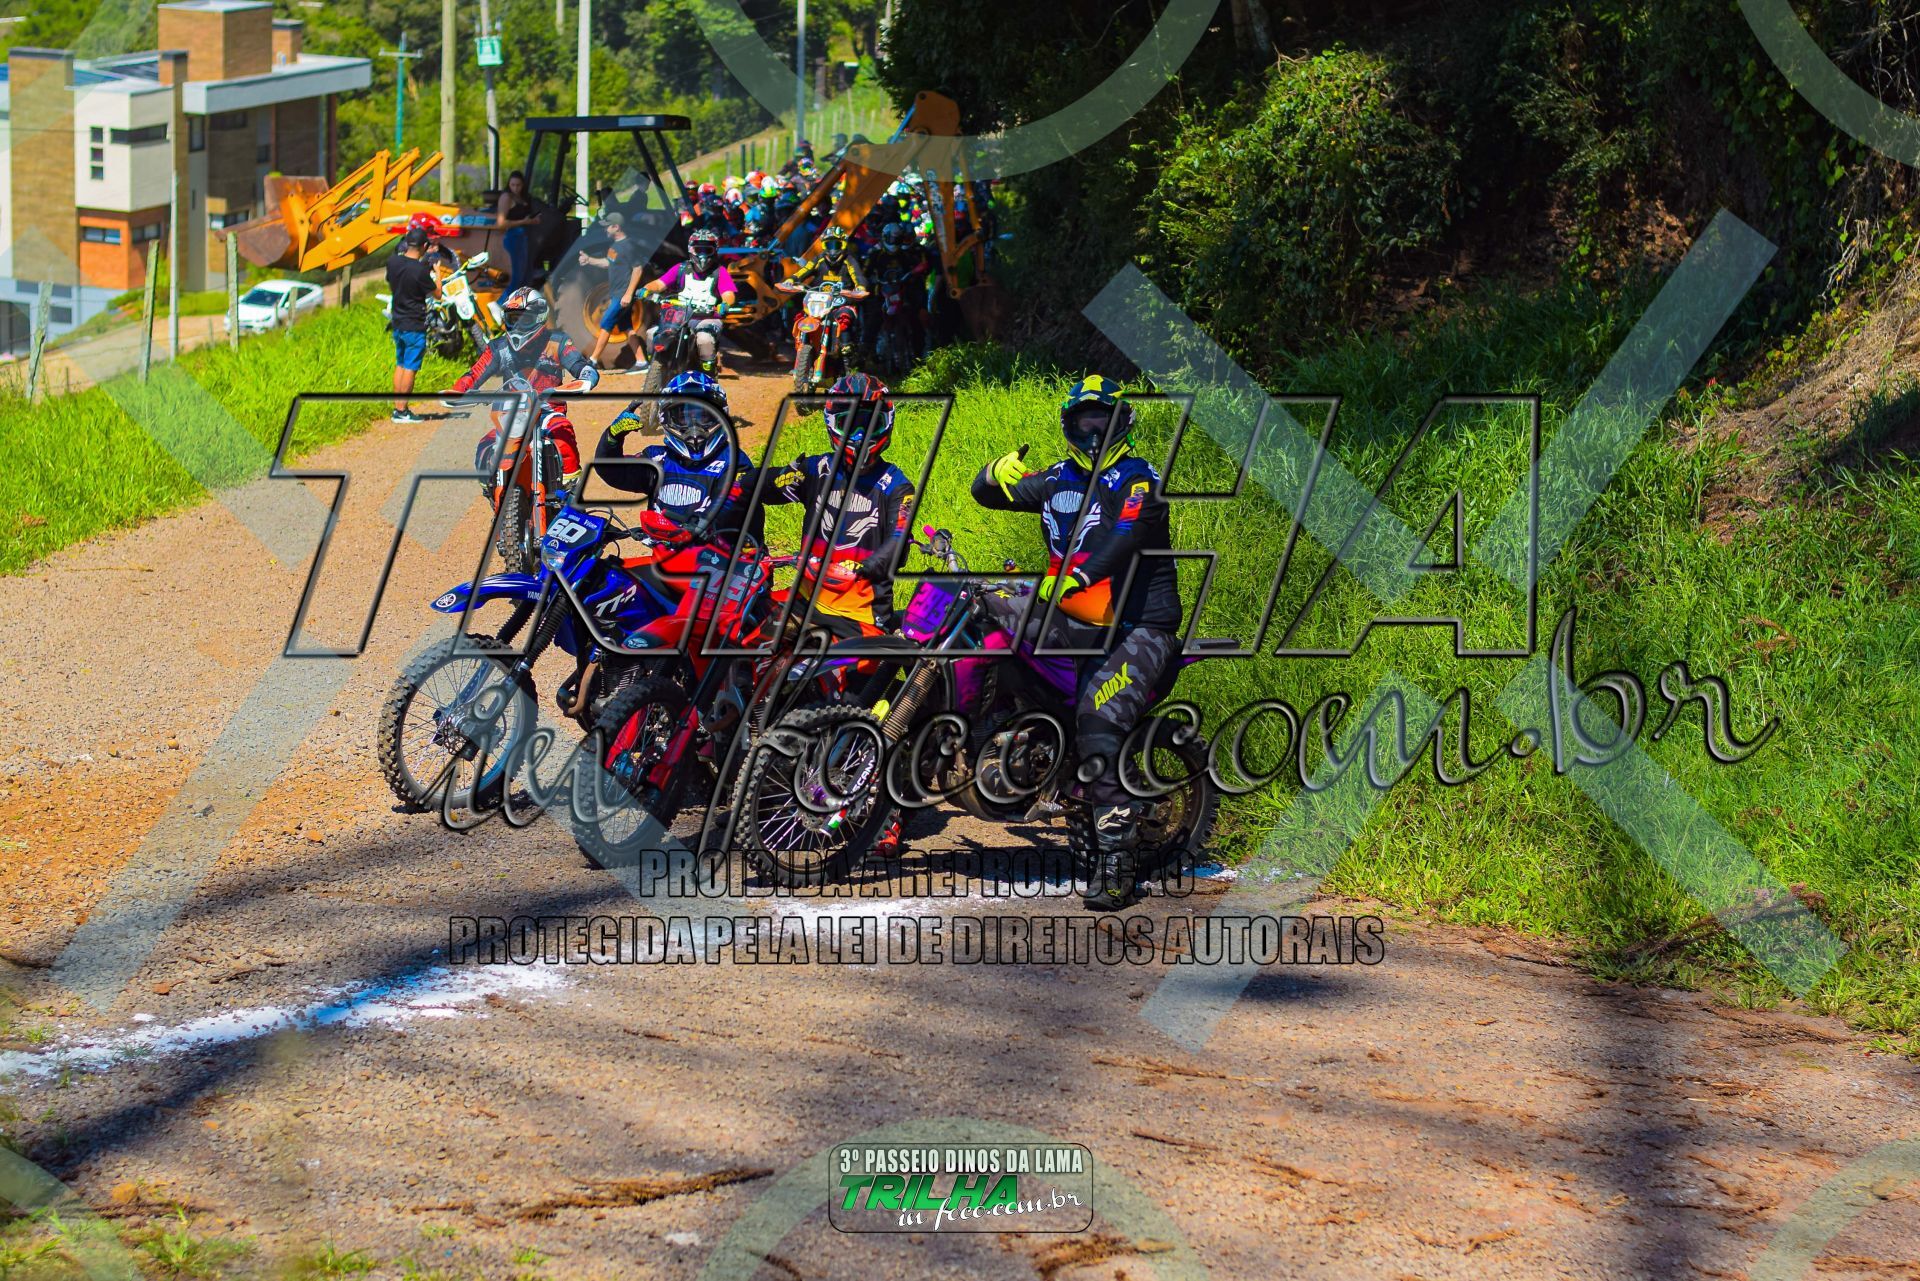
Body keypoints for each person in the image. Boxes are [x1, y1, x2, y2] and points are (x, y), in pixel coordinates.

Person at [969, 376, 1184, 911]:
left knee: (1098, 720)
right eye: (1083, 422)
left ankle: (1116, 867)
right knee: (983, 618)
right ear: (1068, 426)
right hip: (1075, 619)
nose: (1092, 432)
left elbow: (1125, 535)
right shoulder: (1056, 478)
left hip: (1139, 627)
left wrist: (1081, 576)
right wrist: (992, 473)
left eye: (1101, 421)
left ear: (1121, 423)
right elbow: (985, 495)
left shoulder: (1138, 478)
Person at [764, 373, 914, 640]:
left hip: (860, 615)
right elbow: (755, 487)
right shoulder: (816, 469)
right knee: (743, 623)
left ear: (886, 424)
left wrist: (862, 567)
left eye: (869, 424)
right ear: (832, 425)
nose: (859, 435)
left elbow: (898, 543)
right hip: (804, 601)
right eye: (850, 424)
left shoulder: (897, 486)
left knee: (837, 667)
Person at [592, 370, 764, 548]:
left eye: (703, 415)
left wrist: (695, 527)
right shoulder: (658, 458)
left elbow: (730, 505)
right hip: (667, 558)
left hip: (721, 559)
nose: (694, 426)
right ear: (667, 419)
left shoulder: (733, 460)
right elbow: (611, 471)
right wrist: (612, 438)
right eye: (683, 417)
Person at [446, 287, 600, 482]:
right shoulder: (499, 347)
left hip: (547, 411)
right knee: (485, 446)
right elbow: (474, 374)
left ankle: (570, 485)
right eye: (513, 319)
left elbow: (580, 365)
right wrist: (458, 390)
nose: (518, 325)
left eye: (524, 319)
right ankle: (491, 488)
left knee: (562, 433)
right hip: (511, 414)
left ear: (539, 317)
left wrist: (586, 377)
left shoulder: (557, 342)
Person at [637, 229, 737, 374]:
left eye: (707, 250)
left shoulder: (720, 272)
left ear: (714, 251)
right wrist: (646, 289)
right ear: (691, 249)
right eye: (698, 249)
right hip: (679, 316)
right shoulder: (680, 269)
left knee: (704, 339)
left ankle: (708, 369)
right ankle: (655, 361)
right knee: (652, 333)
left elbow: (728, 294)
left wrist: (725, 304)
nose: (702, 254)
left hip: (707, 317)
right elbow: (659, 284)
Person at [776, 226, 868, 359]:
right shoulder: (818, 259)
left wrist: (860, 287)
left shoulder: (849, 260)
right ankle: (801, 343)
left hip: (842, 302)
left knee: (844, 317)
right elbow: (804, 271)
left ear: (843, 244)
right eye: (829, 245)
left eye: (836, 245)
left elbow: (858, 276)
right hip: (819, 303)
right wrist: (791, 280)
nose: (833, 250)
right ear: (824, 245)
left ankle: (846, 349)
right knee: (801, 316)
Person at [385, 224, 440, 423]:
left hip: (398, 321)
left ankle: (397, 409)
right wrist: (438, 273)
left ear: (407, 243)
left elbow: (390, 281)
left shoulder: (392, 262)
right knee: (410, 367)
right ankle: (402, 411)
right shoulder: (419, 270)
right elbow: (438, 294)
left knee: (400, 364)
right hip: (414, 324)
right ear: (424, 246)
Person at [577, 211, 642, 366]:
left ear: (616, 227)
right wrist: (589, 260)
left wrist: (628, 294)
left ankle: (593, 360)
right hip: (616, 294)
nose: (605, 229)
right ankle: (641, 361)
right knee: (627, 328)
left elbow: (638, 269)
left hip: (622, 294)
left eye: (607, 226)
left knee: (606, 323)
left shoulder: (628, 246)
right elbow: (608, 263)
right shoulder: (614, 246)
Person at [494, 172, 540, 293]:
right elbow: (501, 223)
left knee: (526, 276)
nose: (515, 188)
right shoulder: (506, 197)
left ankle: (520, 303)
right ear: (508, 184)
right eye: (512, 185)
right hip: (514, 237)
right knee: (516, 277)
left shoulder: (524, 198)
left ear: (523, 185)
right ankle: (504, 302)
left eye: (518, 185)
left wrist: (533, 220)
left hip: (526, 237)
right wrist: (523, 221)